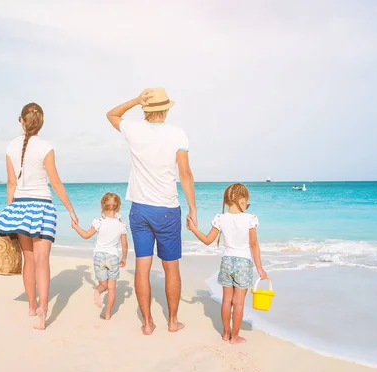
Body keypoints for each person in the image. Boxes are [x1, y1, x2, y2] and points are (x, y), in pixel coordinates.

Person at [106, 88, 197, 335]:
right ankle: (173, 321)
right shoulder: (177, 133)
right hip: (167, 209)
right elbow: (185, 173)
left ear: (146, 109)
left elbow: (111, 114)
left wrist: (135, 100)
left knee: (143, 267)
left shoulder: (134, 129)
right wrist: (193, 209)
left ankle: (147, 323)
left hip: (140, 209)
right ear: (166, 109)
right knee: (171, 268)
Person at [0, 102, 78, 330]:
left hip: (20, 207)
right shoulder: (46, 147)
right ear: (41, 123)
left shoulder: (10, 146)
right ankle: (43, 309)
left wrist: (9, 211)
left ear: (21, 120)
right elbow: (56, 181)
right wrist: (70, 209)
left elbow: (11, 183)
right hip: (42, 207)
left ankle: (31, 306)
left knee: (29, 260)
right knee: (42, 261)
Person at [186, 183, 268, 344]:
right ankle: (235, 337)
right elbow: (254, 245)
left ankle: (225, 334)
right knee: (238, 303)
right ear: (243, 200)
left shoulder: (220, 218)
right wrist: (259, 268)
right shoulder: (250, 219)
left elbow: (208, 240)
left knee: (226, 300)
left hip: (227, 262)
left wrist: (193, 229)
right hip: (243, 264)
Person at [71, 193, 128, 320]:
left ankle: (98, 291)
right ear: (118, 207)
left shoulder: (98, 222)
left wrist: (75, 227)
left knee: (103, 285)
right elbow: (124, 244)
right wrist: (124, 257)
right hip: (113, 257)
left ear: (102, 207)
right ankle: (107, 313)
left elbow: (86, 235)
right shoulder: (122, 225)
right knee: (112, 288)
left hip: (99, 256)